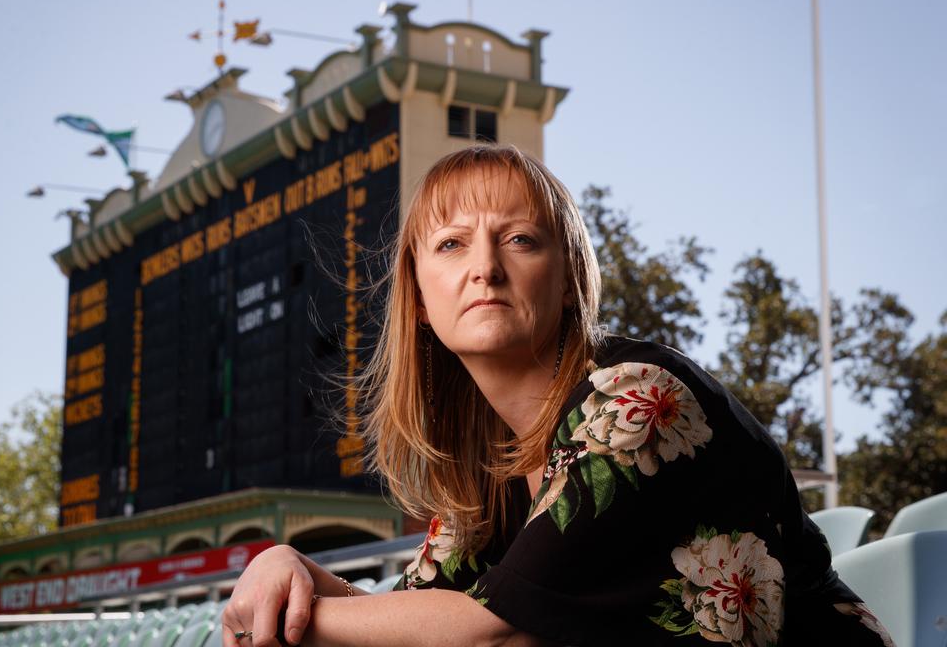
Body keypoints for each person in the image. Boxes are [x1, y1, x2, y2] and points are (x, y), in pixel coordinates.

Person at [222, 145, 894, 647]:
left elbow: (501, 632)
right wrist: (288, 566)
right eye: (452, 245)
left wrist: (282, 617)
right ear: (420, 300)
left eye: (519, 239)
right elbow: (411, 618)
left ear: (570, 276)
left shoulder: (635, 398)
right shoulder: (498, 473)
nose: (484, 268)